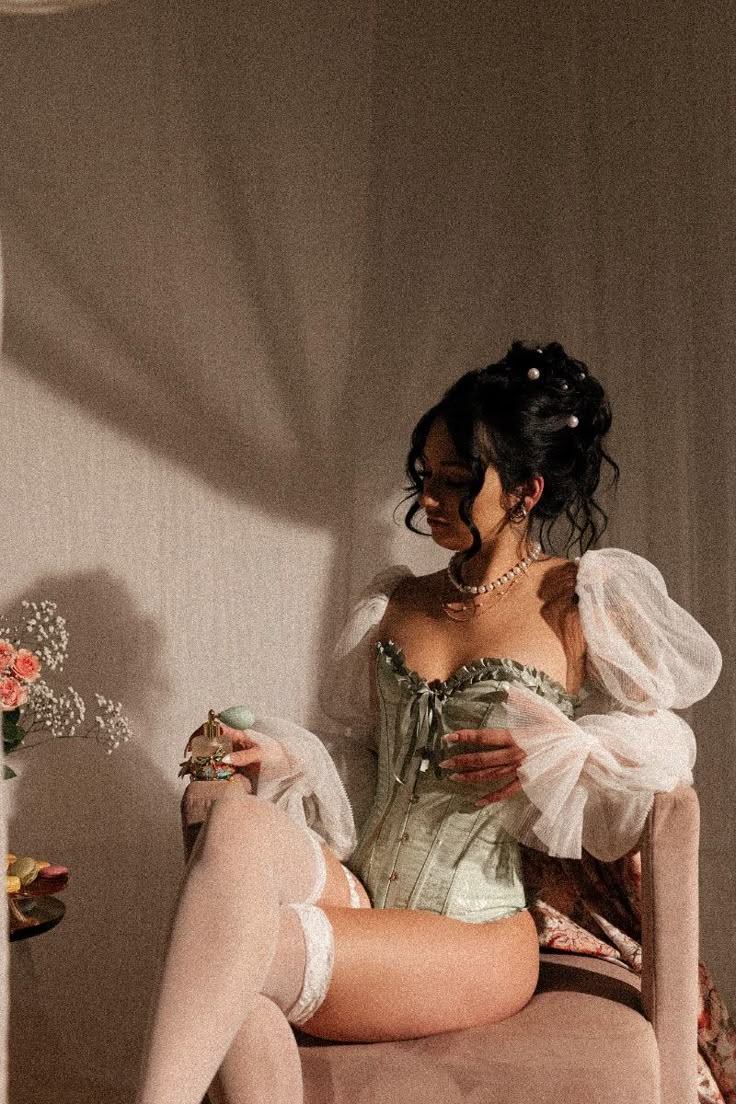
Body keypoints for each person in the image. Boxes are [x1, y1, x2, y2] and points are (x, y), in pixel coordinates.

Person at [137, 341, 722, 1104]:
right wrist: (283, 762)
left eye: (456, 481)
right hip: (364, 886)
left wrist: (559, 750)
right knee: (236, 830)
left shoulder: (579, 600)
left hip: (475, 934)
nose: (431, 499)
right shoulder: (401, 600)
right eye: (427, 476)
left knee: (230, 959)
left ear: (525, 491)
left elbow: (668, 749)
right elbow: (365, 758)